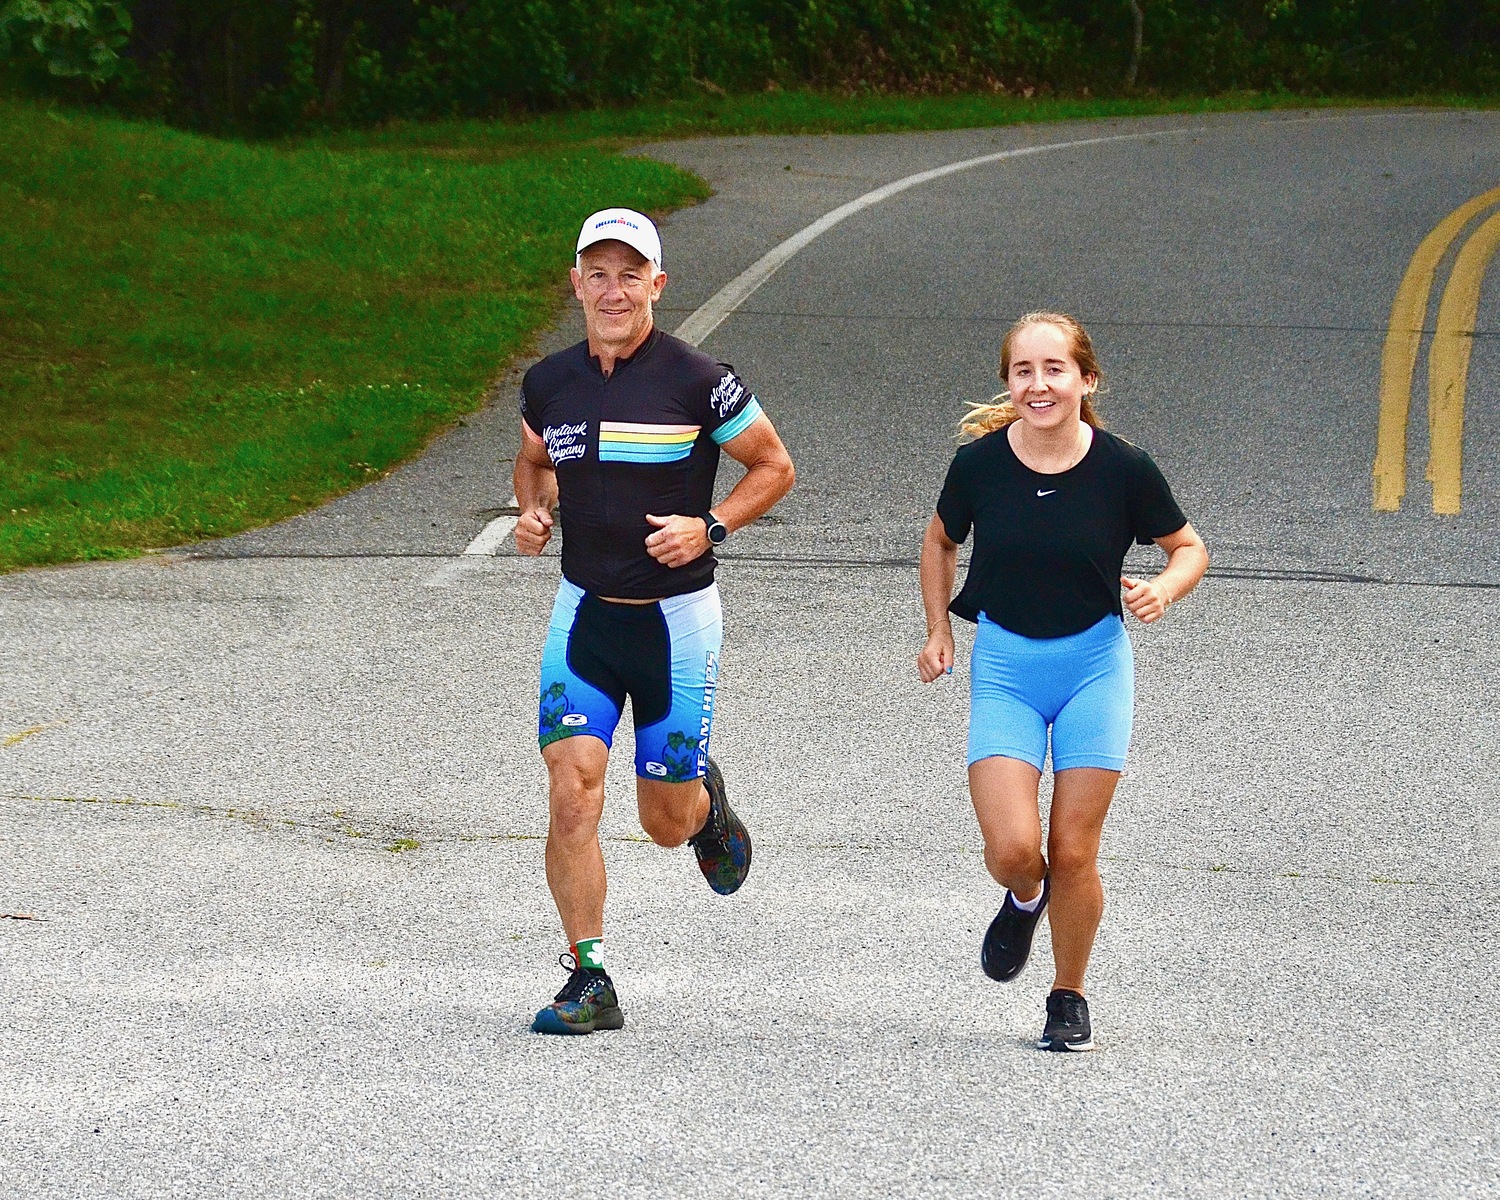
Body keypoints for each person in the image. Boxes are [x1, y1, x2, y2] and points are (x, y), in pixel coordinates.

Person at [514, 207, 795, 1035]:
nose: (612, 290)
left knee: (663, 826)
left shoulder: (698, 378)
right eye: (596, 273)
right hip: (585, 618)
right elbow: (534, 461)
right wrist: (533, 512)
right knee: (571, 792)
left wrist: (709, 527)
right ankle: (588, 978)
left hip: (676, 624)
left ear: (657, 286)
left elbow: (775, 466)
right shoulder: (549, 383)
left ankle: (704, 803)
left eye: (630, 274)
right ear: (575, 284)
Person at [916, 311, 1208, 1052]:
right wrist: (939, 629)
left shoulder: (1124, 469)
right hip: (1008, 670)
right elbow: (939, 539)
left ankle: (1067, 995)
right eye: (1023, 371)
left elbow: (1188, 546)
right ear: (1008, 382)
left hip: (1094, 668)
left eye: (1054, 369)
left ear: (1086, 379)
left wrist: (1165, 589)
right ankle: (1024, 896)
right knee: (1015, 847)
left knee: (1075, 849)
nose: (1039, 384)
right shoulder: (978, 466)